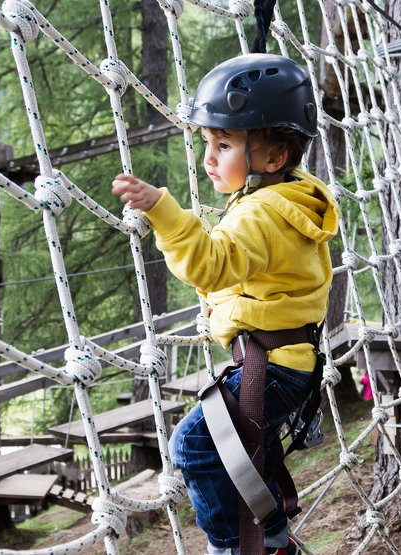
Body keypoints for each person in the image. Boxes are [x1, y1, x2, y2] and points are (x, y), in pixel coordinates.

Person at [112, 54, 339, 555]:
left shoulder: (261, 213)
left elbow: (211, 264)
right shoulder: (293, 195)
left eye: (225, 144)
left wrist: (162, 212)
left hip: (274, 366)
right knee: (239, 452)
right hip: (290, 359)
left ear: (274, 157)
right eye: (209, 144)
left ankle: (234, 546)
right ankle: (274, 536)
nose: (209, 159)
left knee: (193, 445)